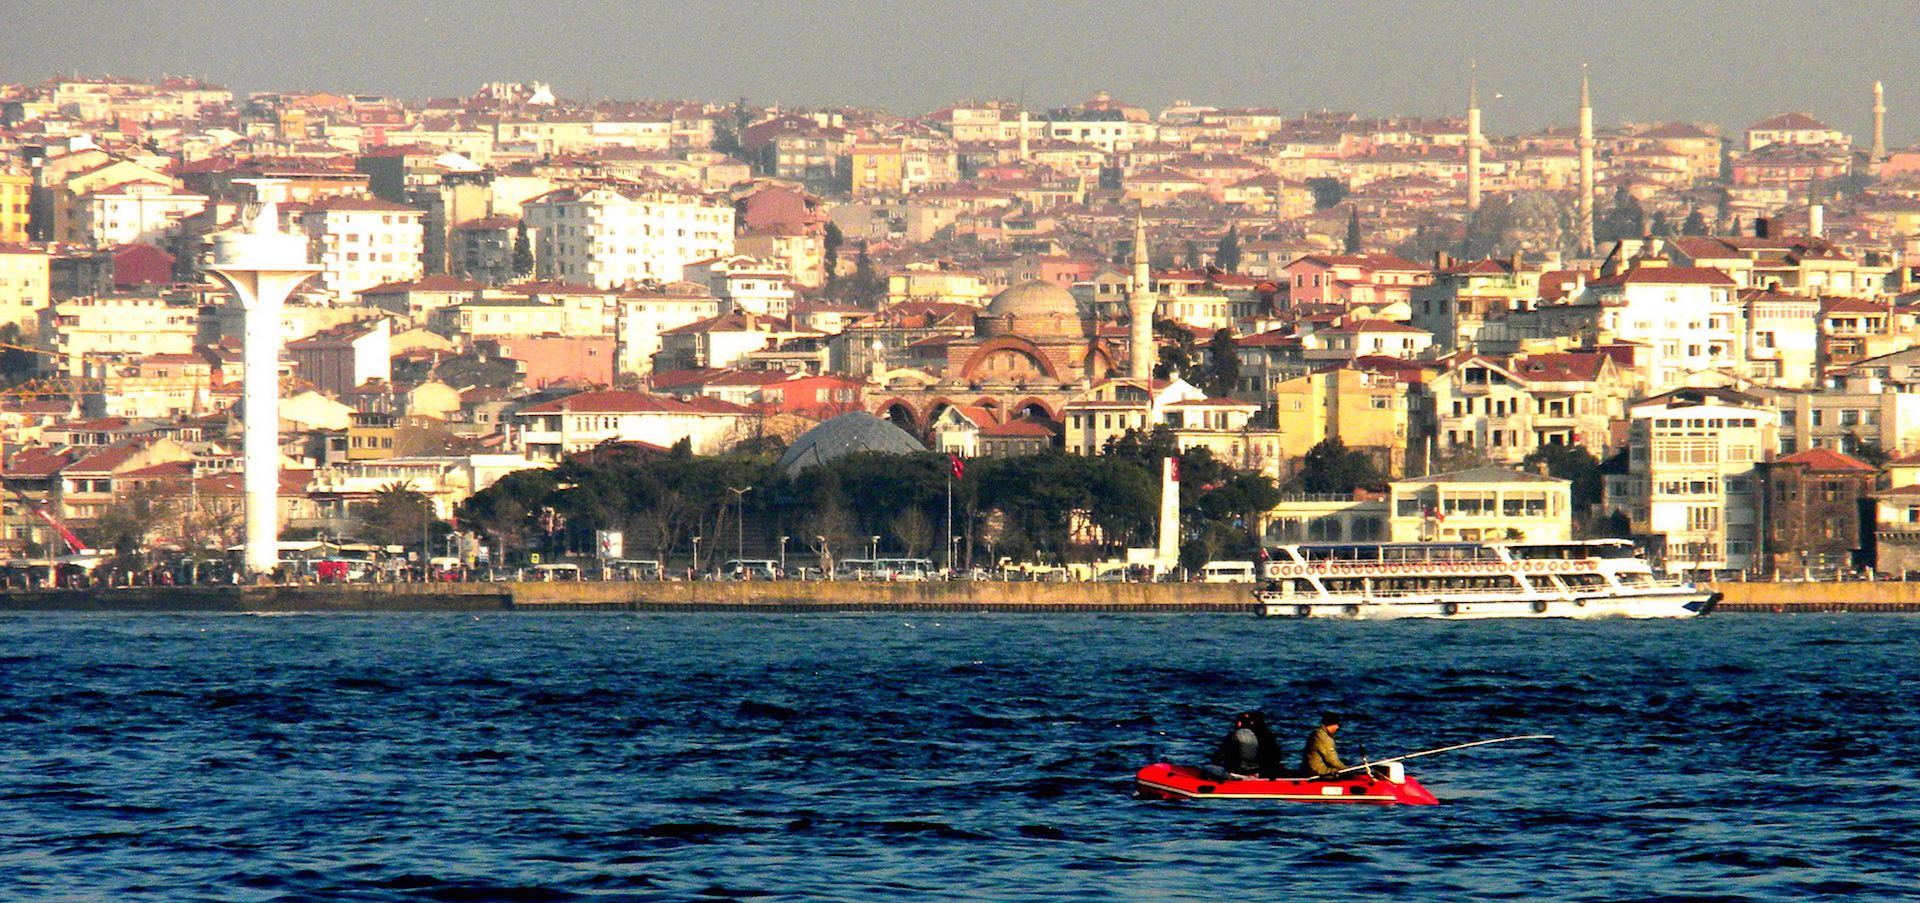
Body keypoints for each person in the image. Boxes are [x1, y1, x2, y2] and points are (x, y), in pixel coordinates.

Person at [1212, 711, 1265, 779]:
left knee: (1208, 768)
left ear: (1239, 723)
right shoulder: (1255, 735)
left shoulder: (1234, 735)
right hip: (1255, 773)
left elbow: (1221, 755)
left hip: (1237, 774)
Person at [1300, 712, 1351, 778]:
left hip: (1311, 769)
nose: (1337, 727)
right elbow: (1331, 760)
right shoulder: (1324, 738)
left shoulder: (1317, 733)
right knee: (1344, 775)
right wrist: (1346, 770)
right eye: (1336, 725)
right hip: (1318, 772)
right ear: (1331, 725)